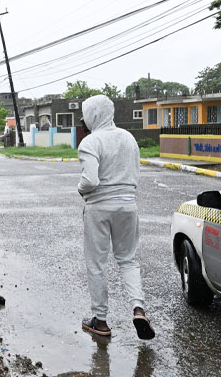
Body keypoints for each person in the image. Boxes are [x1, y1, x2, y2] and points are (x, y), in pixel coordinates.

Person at [77, 95, 155, 340]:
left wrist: (80, 189)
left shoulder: (91, 142)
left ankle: (100, 322)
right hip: (128, 205)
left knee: (97, 264)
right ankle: (138, 309)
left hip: (99, 207)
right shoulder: (129, 139)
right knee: (128, 260)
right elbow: (136, 173)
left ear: (93, 115)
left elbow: (90, 181)